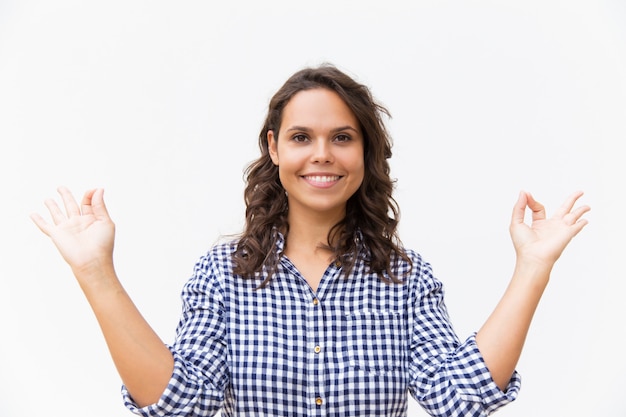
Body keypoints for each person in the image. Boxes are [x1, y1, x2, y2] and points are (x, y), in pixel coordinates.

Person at [31, 65, 590, 417]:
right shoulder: (221, 275)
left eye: (342, 138)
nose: (321, 153)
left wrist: (532, 267)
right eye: (302, 137)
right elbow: (182, 403)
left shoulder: (406, 276)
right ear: (275, 149)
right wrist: (96, 275)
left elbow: (457, 398)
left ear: (364, 154)